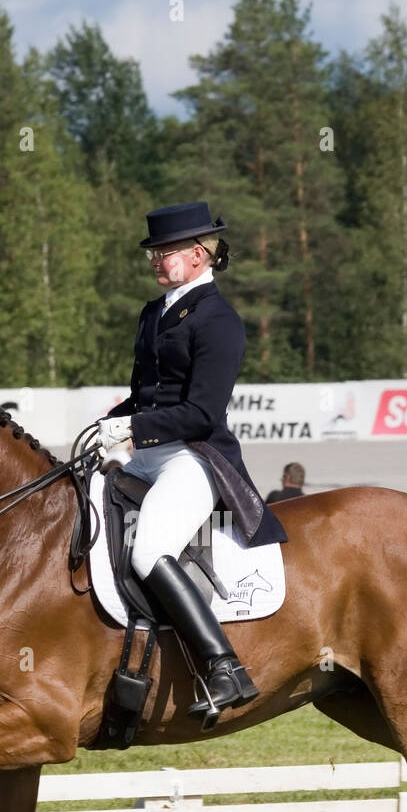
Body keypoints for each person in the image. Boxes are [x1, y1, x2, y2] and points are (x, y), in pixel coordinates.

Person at [95, 201, 287, 722]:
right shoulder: (153, 313)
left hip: (195, 458)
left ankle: (225, 666)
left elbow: (202, 412)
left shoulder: (219, 320)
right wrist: (111, 423)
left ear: (199, 254)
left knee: (148, 549)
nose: (156, 261)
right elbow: (145, 395)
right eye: (153, 253)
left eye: (164, 252)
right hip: (146, 457)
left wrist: (133, 428)